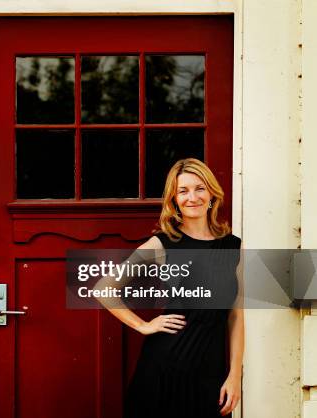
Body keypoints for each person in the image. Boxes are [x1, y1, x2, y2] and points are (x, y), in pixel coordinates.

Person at [95, 158, 243, 418]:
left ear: (211, 193)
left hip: (211, 374)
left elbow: (236, 315)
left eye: (199, 188)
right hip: (165, 370)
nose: (192, 197)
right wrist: (143, 325)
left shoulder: (232, 246)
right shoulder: (162, 244)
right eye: (183, 191)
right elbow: (104, 288)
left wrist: (235, 375)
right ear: (174, 200)